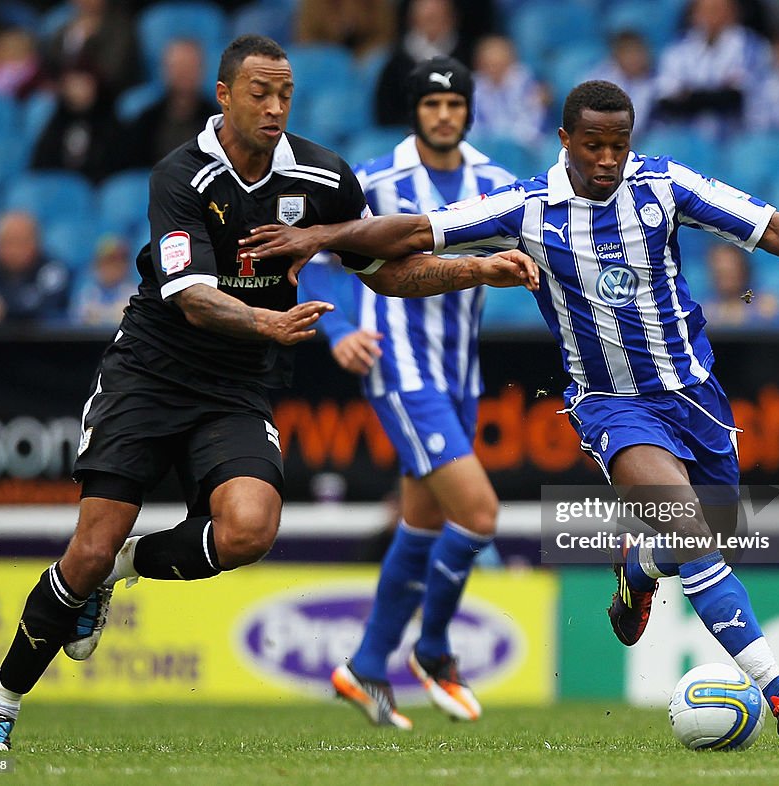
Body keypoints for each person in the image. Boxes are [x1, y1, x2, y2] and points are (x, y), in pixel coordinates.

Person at [238, 80, 779, 747]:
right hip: (611, 405)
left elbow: (771, 229)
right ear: (566, 139)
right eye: (593, 146)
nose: (607, 160)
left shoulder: (664, 185)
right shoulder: (526, 206)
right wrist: (320, 237)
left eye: (618, 146)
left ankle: (639, 569)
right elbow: (414, 230)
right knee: (692, 530)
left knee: (699, 529)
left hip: (697, 398)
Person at [0, 34, 535, 753]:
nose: (274, 106)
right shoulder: (181, 174)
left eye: (285, 94)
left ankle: (125, 565)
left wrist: (476, 271)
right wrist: (267, 320)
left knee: (249, 530)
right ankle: (0, 703)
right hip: (150, 372)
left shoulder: (323, 178)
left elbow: (385, 272)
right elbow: (193, 296)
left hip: (237, 386)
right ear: (224, 95)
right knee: (83, 552)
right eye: (259, 92)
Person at [301, 56, 516, 729]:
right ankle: (433, 648)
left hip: (460, 373)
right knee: (478, 515)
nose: (444, 115)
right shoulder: (375, 180)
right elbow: (315, 257)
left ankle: (365, 668)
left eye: (455, 105)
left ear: (469, 111)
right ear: (414, 112)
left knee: (423, 523)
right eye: (431, 105)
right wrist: (335, 330)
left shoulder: (498, 181)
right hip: (400, 367)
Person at [653, 0, 771, 139]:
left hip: (737, 138)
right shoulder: (677, 49)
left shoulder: (753, 47)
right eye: (705, 10)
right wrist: (716, 94)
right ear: (694, 14)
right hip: (688, 139)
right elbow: (667, 102)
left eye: (718, 9)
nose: (711, 16)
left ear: (733, 12)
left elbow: (737, 98)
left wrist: (690, 95)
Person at [117, 39, 220, 171]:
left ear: (202, 70)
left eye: (189, 66)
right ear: (164, 71)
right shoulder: (144, 123)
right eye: (177, 67)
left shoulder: (219, 123)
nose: (183, 73)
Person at [471, 36, 548, 147]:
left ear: (511, 62)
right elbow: (473, 128)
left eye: (499, 64)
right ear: (479, 65)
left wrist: (509, 140)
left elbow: (534, 124)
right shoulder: (473, 87)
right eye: (489, 65)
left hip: (522, 147)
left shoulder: (526, 83)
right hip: (487, 147)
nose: (494, 70)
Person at [701, 241, 779, 325]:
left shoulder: (766, 305)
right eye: (720, 272)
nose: (726, 278)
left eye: (731, 271)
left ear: (743, 269)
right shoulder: (705, 311)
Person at [70, 234, 137, 327]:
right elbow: (77, 322)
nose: (113, 267)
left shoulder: (134, 293)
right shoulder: (87, 293)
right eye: (109, 261)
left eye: (119, 262)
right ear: (98, 264)